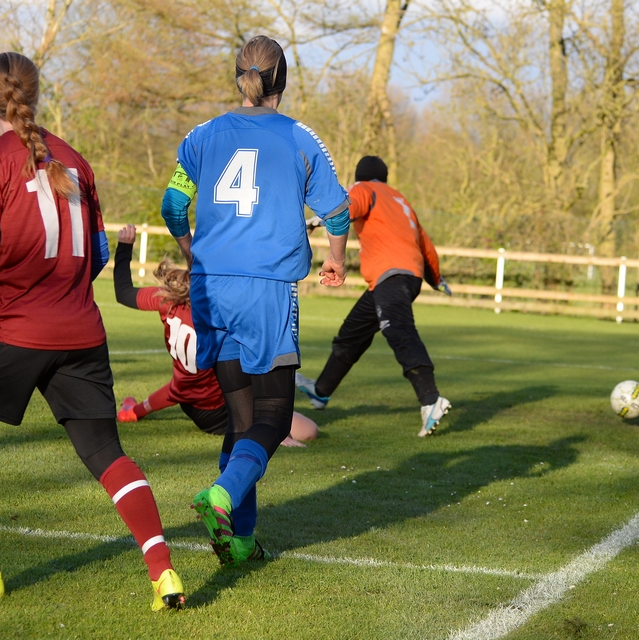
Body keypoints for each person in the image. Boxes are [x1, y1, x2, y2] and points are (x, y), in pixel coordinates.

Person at [0, 52, 184, 611]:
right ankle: (165, 574)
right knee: (105, 452)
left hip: (14, 331)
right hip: (82, 332)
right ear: (36, 96)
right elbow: (98, 253)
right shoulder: (76, 161)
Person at [160, 35, 350, 567]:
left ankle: (240, 539)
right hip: (266, 288)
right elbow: (337, 211)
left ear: (238, 78)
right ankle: (223, 494)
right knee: (274, 415)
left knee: (241, 417)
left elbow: (173, 204)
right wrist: (336, 258)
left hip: (211, 288)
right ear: (281, 82)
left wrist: (191, 249)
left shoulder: (201, 135)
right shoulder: (299, 137)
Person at [112, 224, 319, 448]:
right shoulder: (221, 307)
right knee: (308, 429)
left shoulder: (169, 299)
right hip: (217, 407)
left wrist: (124, 247)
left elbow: (123, 293)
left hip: (192, 399)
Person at [295, 155, 452, 437]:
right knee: (352, 335)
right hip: (403, 277)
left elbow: (347, 207)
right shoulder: (400, 200)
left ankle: (431, 400)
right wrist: (437, 280)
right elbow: (426, 245)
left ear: (360, 176)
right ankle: (321, 391)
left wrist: (317, 220)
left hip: (391, 275)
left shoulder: (364, 188)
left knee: (399, 331)